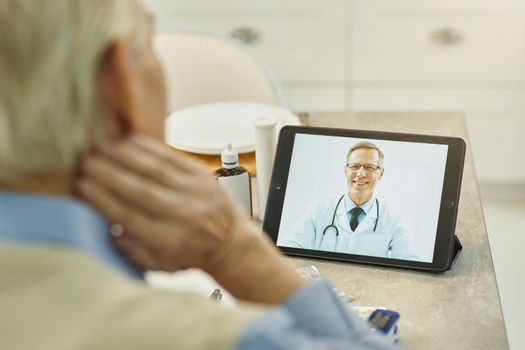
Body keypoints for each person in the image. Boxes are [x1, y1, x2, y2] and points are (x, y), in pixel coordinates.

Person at [0, 1, 395, 349]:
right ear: (121, 83)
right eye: (147, 46)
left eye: (369, 167)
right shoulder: (220, 337)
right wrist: (238, 252)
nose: (360, 174)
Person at [280, 141, 418, 260]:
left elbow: (411, 261)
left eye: (370, 167)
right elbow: (290, 245)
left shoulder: (392, 219)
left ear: (380, 173)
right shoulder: (320, 209)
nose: (361, 174)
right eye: (355, 166)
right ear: (345, 170)